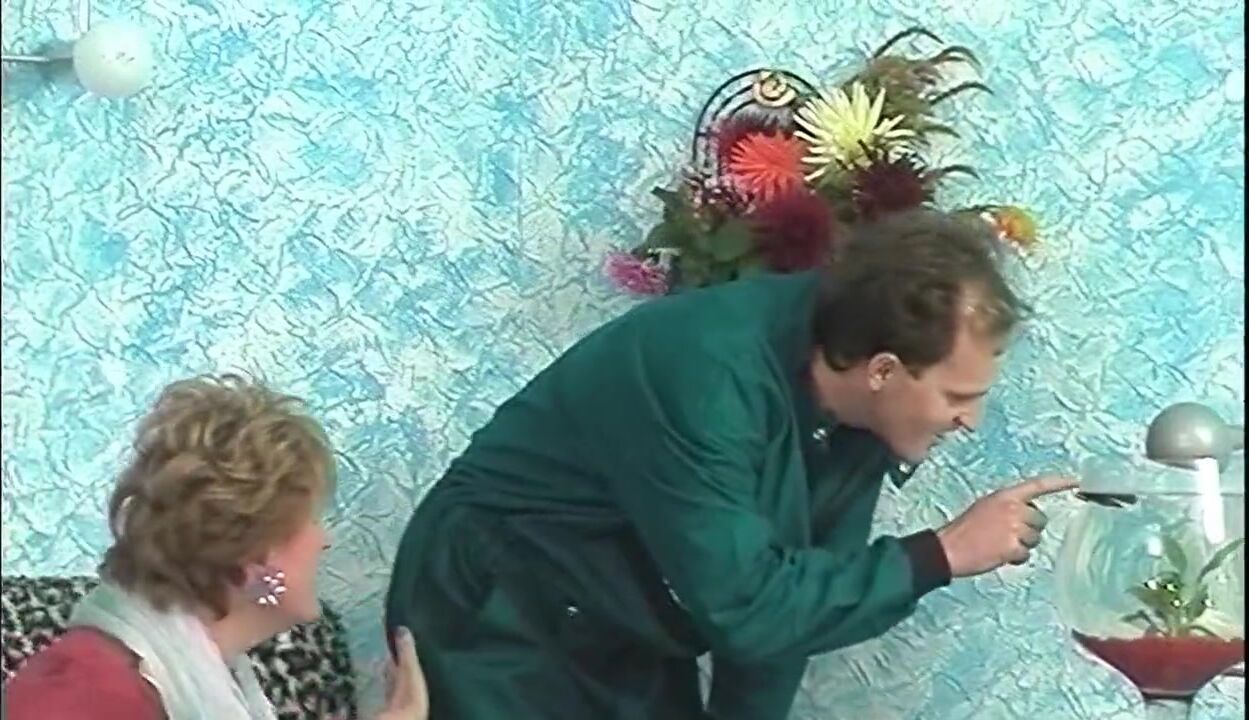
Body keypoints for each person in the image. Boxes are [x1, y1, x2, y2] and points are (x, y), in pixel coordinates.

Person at [385, 208, 1077, 719]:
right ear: (884, 370)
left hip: (623, 618)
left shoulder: (859, 404)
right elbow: (749, 606)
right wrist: (940, 555)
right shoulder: (706, 375)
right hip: (498, 608)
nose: (970, 419)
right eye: (958, 396)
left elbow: (794, 604)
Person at [4, 374, 428, 720]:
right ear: (253, 563)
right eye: (311, 520)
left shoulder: (206, 680)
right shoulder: (83, 695)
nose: (325, 540)